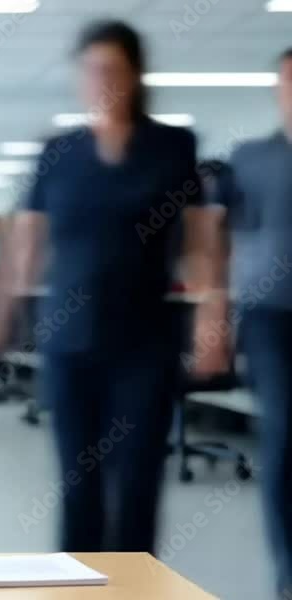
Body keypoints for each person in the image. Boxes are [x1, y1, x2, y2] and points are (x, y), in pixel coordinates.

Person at [0, 21, 208, 554]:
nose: (100, 78)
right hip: (71, 341)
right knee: (79, 489)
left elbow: (199, 241)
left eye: (112, 67)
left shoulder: (172, 146)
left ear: (134, 74)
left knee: (137, 486)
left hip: (145, 341)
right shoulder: (58, 153)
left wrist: (211, 312)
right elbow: (26, 244)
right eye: (90, 68)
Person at [197, 47, 292, 599]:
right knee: (283, 433)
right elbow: (217, 241)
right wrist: (215, 316)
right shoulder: (251, 158)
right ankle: (288, 571)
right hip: (271, 315)